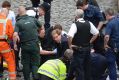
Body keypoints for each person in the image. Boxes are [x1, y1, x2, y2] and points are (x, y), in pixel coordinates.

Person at [67, 9, 99, 80]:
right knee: (87, 67)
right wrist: (90, 41)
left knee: (79, 69)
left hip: (78, 50)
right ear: (83, 15)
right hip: (87, 49)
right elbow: (96, 33)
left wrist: (70, 45)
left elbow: (69, 36)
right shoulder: (89, 23)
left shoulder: (75, 25)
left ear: (76, 16)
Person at [13, 6, 42, 80]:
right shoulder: (33, 19)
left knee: (25, 63)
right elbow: (41, 27)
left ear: (19, 13)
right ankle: (35, 77)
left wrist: (15, 44)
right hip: (35, 45)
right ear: (25, 11)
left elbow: (15, 34)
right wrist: (37, 34)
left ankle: (27, 78)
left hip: (25, 46)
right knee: (35, 63)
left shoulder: (18, 22)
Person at [0, 8, 16, 80]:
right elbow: (10, 34)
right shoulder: (7, 21)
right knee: (10, 61)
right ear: (6, 13)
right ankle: (12, 78)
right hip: (3, 44)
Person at [104, 8, 118, 80]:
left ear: (107, 15)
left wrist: (105, 44)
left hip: (113, 47)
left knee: (111, 66)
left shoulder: (110, 23)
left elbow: (107, 36)